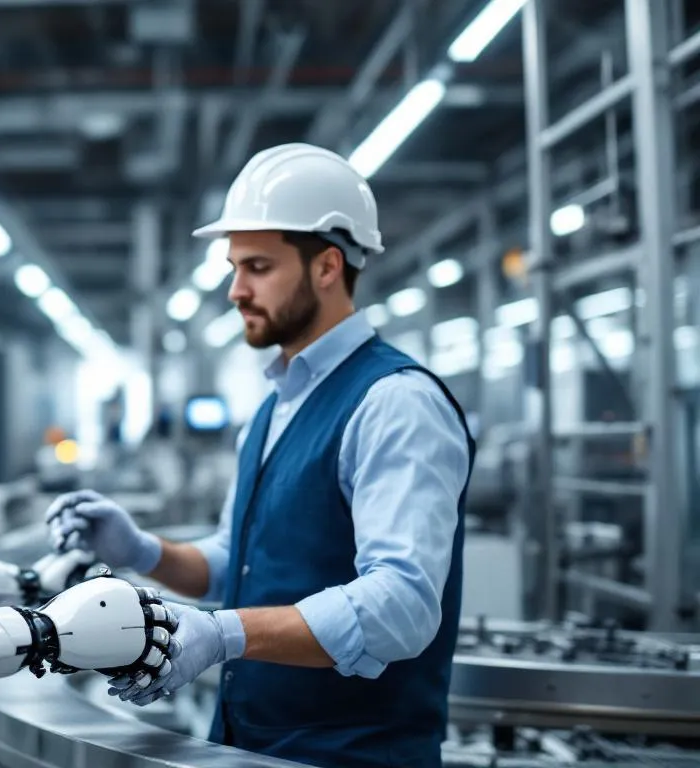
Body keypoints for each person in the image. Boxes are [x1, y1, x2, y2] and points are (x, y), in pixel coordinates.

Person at [45, 143, 475, 768]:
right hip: (250, 745)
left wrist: (223, 633)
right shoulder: (273, 410)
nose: (235, 290)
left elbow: (402, 605)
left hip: (352, 755)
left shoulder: (396, 402)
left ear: (327, 266)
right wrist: (141, 550)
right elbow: (240, 562)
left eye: (257, 267)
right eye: (234, 267)